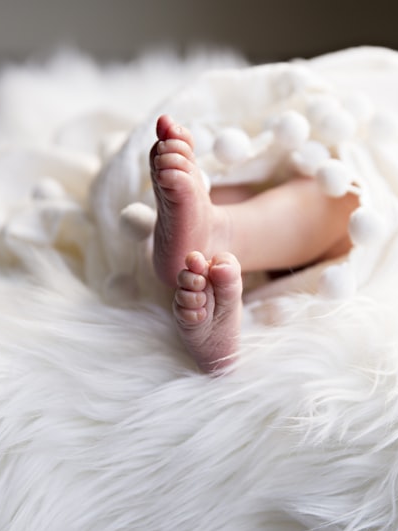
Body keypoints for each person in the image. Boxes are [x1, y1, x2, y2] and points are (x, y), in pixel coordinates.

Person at [150, 115, 359, 372]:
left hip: (335, 248)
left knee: (343, 192)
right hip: (281, 249)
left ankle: (222, 233)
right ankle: (225, 303)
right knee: (219, 189)